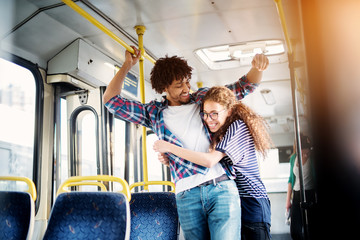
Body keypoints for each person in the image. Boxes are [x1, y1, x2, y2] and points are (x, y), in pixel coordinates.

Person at [103, 46, 269, 239]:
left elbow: (243, 87)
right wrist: (127, 65)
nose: (186, 88)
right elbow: (111, 101)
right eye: (179, 85)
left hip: (221, 188)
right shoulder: (154, 113)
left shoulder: (203, 99)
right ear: (164, 88)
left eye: (187, 82)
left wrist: (258, 68)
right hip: (186, 194)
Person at [154, 86, 273, 240]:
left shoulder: (237, 127)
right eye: (205, 114)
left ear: (229, 111)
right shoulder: (219, 132)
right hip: (240, 201)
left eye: (214, 114)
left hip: (252, 202)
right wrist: (171, 162)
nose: (209, 119)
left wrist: (169, 147)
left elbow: (210, 161)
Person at [285, 134, 316, 240]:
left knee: (312, 229)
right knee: (295, 231)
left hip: (310, 194)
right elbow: (290, 180)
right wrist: (288, 200)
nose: (304, 153)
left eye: (306, 150)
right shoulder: (294, 158)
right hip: (297, 194)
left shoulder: (312, 157)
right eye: (302, 150)